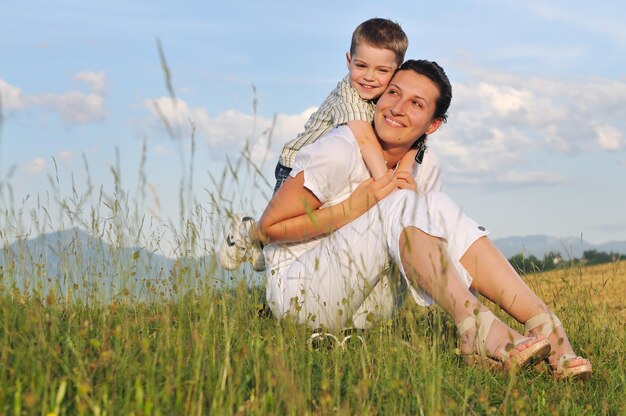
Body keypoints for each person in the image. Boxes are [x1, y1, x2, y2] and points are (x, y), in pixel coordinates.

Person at [253, 60, 592, 379]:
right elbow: (267, 229)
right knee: (403, 201)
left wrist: (409, 203)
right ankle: (475, 326)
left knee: (436, 204)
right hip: (302, 296)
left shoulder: (425, 165)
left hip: (368, 307)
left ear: (432, 124)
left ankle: (544, 324)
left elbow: (435, 255)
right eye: (394, 93)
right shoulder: (340, 149)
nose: (397, 108)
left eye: (416, 103)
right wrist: (360, 204)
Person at [219, 18, 420, 272]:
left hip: (334, 173)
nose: (369, 77)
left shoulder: (391, 97)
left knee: (315, 232)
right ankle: (249, 232)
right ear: (348, 61)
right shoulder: (349, 94)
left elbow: (418, 136)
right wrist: (389, 187)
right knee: (284, 230)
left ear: (396, 70)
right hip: (297, 167)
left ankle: (262, 243)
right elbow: (366, 139)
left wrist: (403, 171)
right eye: (361, 66)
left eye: (382, 71)